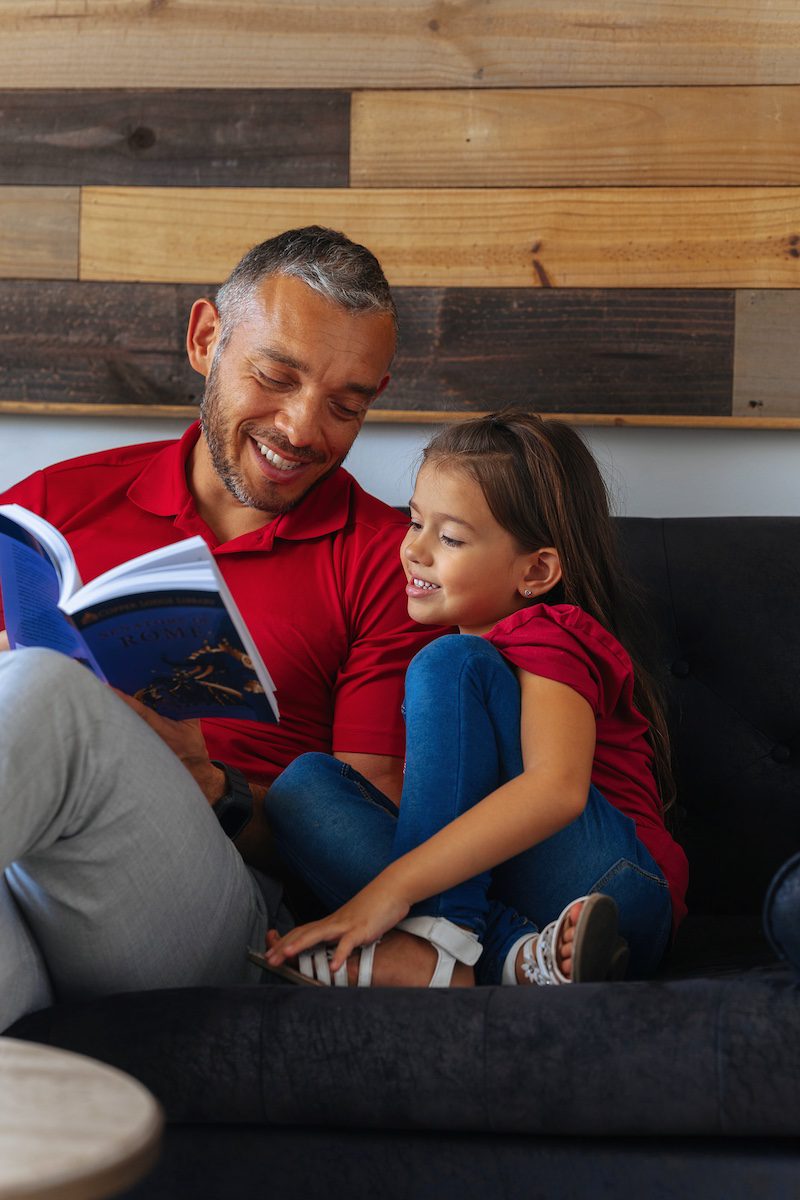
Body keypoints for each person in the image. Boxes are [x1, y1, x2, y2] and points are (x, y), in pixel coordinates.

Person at [0, 226, 442, 1031]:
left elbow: (367, 848)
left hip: (219, 902)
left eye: (346, 406)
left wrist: (214, 788)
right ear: (206, 339)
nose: (303, 429)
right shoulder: (48, 508)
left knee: (46, 689)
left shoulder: (394, 564)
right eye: (276, 377)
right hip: (23, 876)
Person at [261, 412, 689, 989]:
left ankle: (431, 940)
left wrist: (392, 889)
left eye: (451, 538)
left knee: (451, 660)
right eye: (415, 522)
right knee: (301, 789)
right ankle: (512, 957)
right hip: (545, 922)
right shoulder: (453, 665)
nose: (415, 550)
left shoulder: (549, 633)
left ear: (536, 570)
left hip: (613, 891)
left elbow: (556, 790)